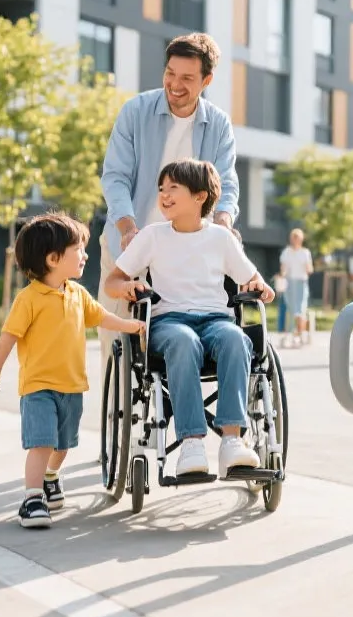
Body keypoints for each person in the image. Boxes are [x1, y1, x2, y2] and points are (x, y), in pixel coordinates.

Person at [104, 159, 275, 478]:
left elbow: (258, 283)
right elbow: (111, 282)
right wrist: (128, 286)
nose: (164, 194)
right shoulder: (152, 236)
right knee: (184, 342)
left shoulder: (221, 239)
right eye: (161, 188)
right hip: (168, 322)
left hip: (216, 321)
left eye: (173, 188)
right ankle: (192, 443)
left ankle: (231, 442)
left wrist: (260, 288)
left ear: (200, 196)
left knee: (237, 339)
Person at [0, 213, 145, 529]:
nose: (85, 255)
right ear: (54, 258)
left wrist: (130, 325)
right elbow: (8, 337)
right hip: (38, 386)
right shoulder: (28, 299)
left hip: (71, 386)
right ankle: (32, 499)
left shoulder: (77, 294)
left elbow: (102, 318)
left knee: (63, 444)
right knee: (41, 442)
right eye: (78, 250)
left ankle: (51, 477)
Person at [98, 32, 240, 375]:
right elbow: (115, 176)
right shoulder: (136, 111)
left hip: (186, 254)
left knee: (179, 342)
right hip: (130, 243)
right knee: (116, 343)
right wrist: (128, 228)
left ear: (206, 80)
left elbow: (227, 183)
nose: (175, 84)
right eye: (170, 73)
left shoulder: (218, 124)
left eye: (187, 78)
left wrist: (222, 223)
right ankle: (119, 422)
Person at [279, 228, 313, 348]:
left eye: (297, 238)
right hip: (289, 283)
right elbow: (283, 268)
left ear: (301, 239)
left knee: (300, 310)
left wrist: (308, 267)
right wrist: (281, 277)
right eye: (293, 238)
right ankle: (291, 334)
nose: (295, 240)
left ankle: (299, 334)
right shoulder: (286, 252)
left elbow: (310, 270)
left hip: (301, 282)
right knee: (291, 309)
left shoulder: (305, 252)